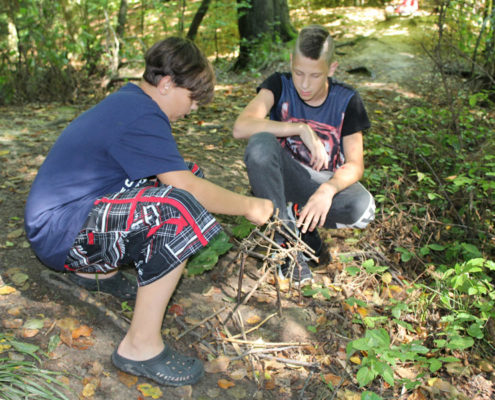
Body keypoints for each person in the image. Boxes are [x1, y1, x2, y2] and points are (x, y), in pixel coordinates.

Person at [24, 37, 273, 387]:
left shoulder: (132, 103)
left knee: (184, 177)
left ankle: (100, 273)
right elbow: (186, 190)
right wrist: (249, 206)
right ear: (167, 83)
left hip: (62, 221)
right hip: (59, 232)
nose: (192, 110)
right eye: (192, 98)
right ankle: (139, 347)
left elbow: (174, 177)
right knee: (178, 208)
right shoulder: (141, 113)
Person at [233, 25, 375, 285]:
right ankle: (286, 243)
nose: (305, 84)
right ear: (291, 63)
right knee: (261, 143)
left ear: (331, 69)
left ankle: (300, 223)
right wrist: (300, 128)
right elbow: (241, 126)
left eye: (315, 75)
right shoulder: (279, 85)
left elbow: (355, 164)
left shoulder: (347, 101)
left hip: (317, 184)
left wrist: (328, 190)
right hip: (281, 179)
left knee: (363, 208)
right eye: (298, 73)